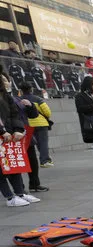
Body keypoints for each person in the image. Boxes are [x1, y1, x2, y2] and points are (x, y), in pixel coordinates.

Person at [0, 68, 39, 206]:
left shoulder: (6, 96)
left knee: (13, 165)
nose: (6, 82)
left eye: (6, 80)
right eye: (3, 80)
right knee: (1, 169)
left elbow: (14, 114)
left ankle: (20, 193)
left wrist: (17, 129)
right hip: (2, 136)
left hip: (9, 136)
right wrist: (1, 131)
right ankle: (10, 197)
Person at [12, 82, 47, 192]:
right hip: (11, 133)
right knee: (15, 161)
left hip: (25, 132)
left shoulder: (17, 99)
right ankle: (19, 189)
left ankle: (34, 184)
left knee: (32, 159)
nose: (6, 83)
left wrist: (30, 105)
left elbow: (33, 114)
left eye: (6, 80)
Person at [19, 82, 53, 167]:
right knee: (43, 143)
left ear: (21, 90)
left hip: (27, 125)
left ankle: (27, 163)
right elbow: (47, 112)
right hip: (41, 124)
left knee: (31, 145)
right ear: (31, 89)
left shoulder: (18, 100)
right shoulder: (38, 99)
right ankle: (44, 161)